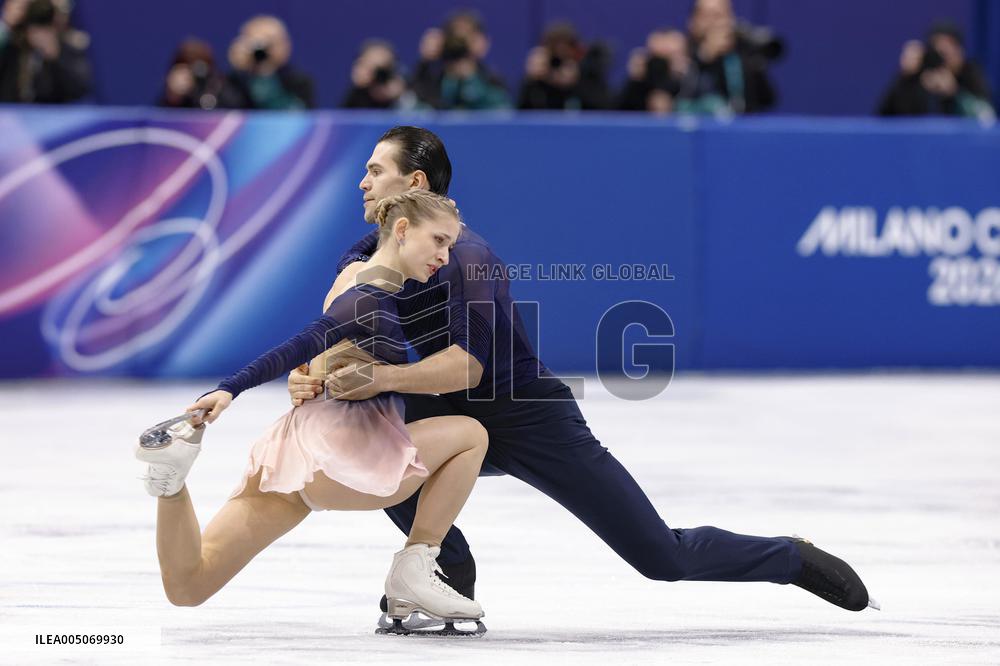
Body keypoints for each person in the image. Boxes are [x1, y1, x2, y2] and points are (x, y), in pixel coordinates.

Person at [288, 126, 879, 626]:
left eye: (374, 170)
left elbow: (465, 365)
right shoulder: (361, 262)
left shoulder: (468, 257)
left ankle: (789, 558)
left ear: (414, 183)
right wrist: (309, 374)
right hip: (443, 411)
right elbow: (337, 341)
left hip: (527, 413)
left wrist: (380, 376)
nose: (362, 182)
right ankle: (446, 568)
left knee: (660, 556)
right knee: (368, 433)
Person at [136, 190, 488, 633]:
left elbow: (321, 350)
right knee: (471, 434)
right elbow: (306, 341)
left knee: (188, 586)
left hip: (289, 456)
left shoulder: (355, 277)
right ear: (402, 230)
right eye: (438, 240)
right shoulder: (371, 291)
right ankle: (416, 565)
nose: (444, 255)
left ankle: (171, 485)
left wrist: (313, 376)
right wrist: (230, 389)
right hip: (341, 452)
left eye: (450, 246)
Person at [878, 22, 994, 119]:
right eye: (937, 47)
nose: (944, 53)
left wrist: (953, 93)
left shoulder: (970, 74)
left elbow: (986, 118)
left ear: (960, 51)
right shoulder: (914, 77)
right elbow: (882, 118)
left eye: (950, 46)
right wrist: (905, 78)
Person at [0, 0, 91, 104]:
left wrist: (54, 55)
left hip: (51, 115)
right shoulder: (11, 46)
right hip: (10, 114)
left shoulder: (69, 48)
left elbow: (79, 90)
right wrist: (5, 26)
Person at [224, 15, 314, 110]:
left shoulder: (299, 81)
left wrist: (266, 74)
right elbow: (224, 114)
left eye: (269, 43)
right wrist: (237, 66)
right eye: (256, 44)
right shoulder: (234, 80)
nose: (262, 50)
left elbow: (297, 115)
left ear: (286, 45)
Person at [518, 21, 612, 111]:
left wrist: (575, 84)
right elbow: (521, 112)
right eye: (555, 46)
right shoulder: (540, 76)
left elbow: (606, 107)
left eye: (567, 46)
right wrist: (531, 79)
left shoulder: (587, 71)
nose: (562, 50)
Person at [158, 38, 241, 110]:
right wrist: (173, 97)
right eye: (189, 66)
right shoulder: (176, 97)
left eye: (202, 67)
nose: (197, 74)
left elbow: (240, 111)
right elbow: (160, 122)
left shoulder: (224, 86)